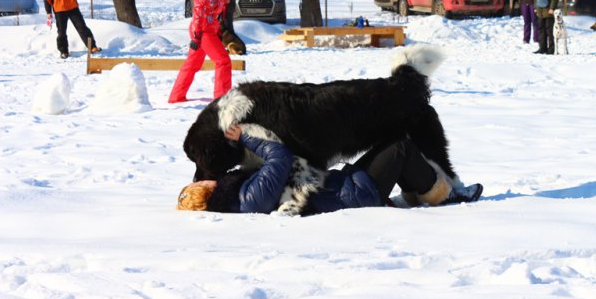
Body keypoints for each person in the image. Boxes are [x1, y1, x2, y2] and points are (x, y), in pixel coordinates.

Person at [176, 125, 484, 214]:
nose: (208, 180)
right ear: (206, 195)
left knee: (393, 140)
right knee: (401, 149)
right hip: (355, 194)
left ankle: (420, 190)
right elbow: (280, 160)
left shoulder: (240, 193)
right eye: (203, 185)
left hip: (345, 184)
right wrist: (246, 138)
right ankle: (443, 197)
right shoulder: (248, 198)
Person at [168, 0, 232, 103]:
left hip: (206, 29)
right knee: (223, 61)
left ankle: (176, 97)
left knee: (192, 65)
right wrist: (197, 36)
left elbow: (209, 4)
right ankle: (222, 98)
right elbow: (198, 11)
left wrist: (223, 1)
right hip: (203, 31)